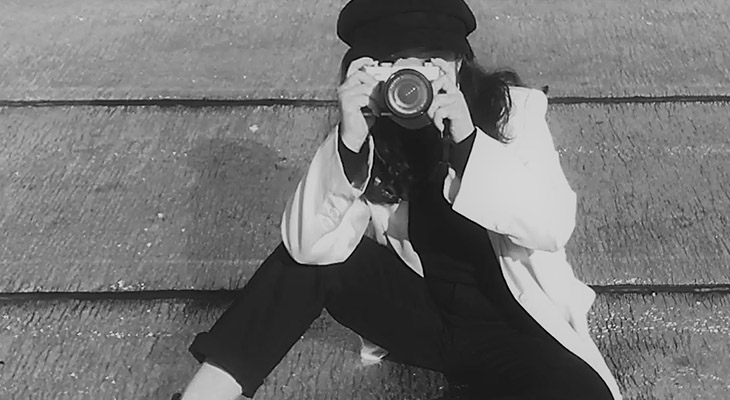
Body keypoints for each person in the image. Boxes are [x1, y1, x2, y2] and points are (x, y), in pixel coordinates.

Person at [180, 0, 623, 399]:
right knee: (305, 263)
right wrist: (350, 143)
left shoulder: (514, 111)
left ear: (458, 62)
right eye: (391, 62)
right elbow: (307, 245)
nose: (410, 79)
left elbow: (551, 227)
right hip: (429, 321)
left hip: (519, 329)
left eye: (429, 61)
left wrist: (468, 143)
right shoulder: (371, 130)